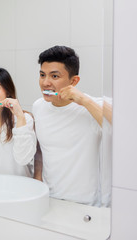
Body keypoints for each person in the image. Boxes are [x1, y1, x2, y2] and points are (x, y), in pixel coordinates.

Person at [32, 45, 103, 206]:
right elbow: (40, 149)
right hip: (49, 198)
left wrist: (85, 101)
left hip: (85, 204)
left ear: (74, 81)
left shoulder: (91, 106)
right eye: (42, 75)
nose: (45, 82)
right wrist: (37, 178)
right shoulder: (39, 106)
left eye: (54, 76)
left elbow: (124, 127)